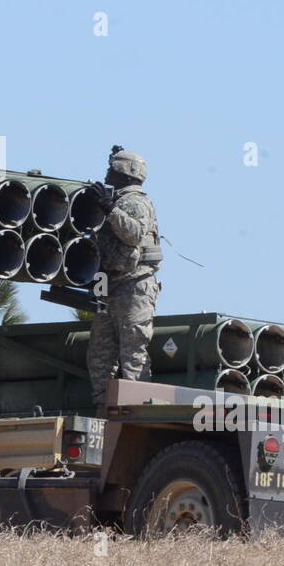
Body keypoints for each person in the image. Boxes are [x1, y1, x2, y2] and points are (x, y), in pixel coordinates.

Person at [87, 146, 162, 413]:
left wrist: (109, 209)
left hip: (134, 284)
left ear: (124, 172)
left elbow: (133, 234)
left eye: (113, 167)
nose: (108, 171)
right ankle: (102, 410)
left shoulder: (135, 202)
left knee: (133, 353)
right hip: (107, 283)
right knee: (99, 356)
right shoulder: (114, 200)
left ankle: (136, 412)